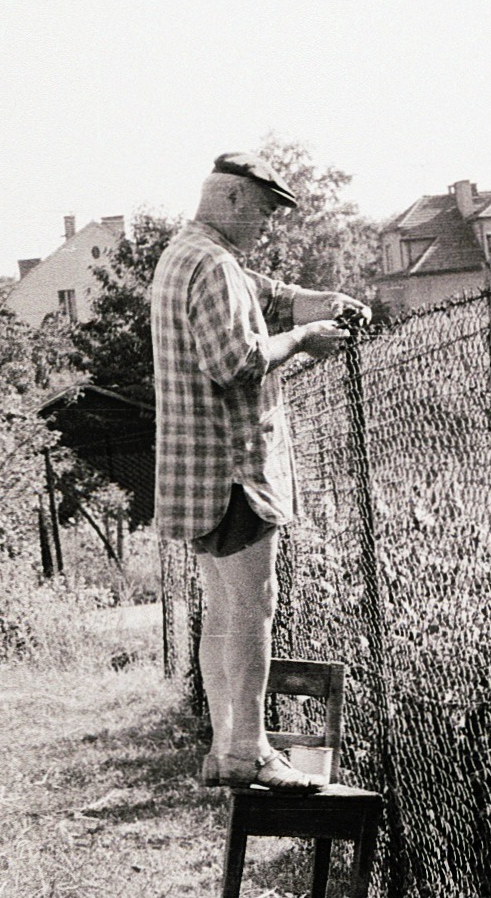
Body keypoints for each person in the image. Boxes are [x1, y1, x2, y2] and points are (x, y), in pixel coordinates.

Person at [151, 151, 369, 791]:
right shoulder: (214, 264)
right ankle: (251, 754)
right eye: (266, 211)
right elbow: (237, 363)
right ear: (235, 199)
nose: (269, 225)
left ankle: (226, 750)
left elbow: (256, 291)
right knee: (253, 611)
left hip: (196, 473)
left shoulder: (185, 254)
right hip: (235, 471)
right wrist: (305, 338)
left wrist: (306, 302)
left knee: (222, 614)